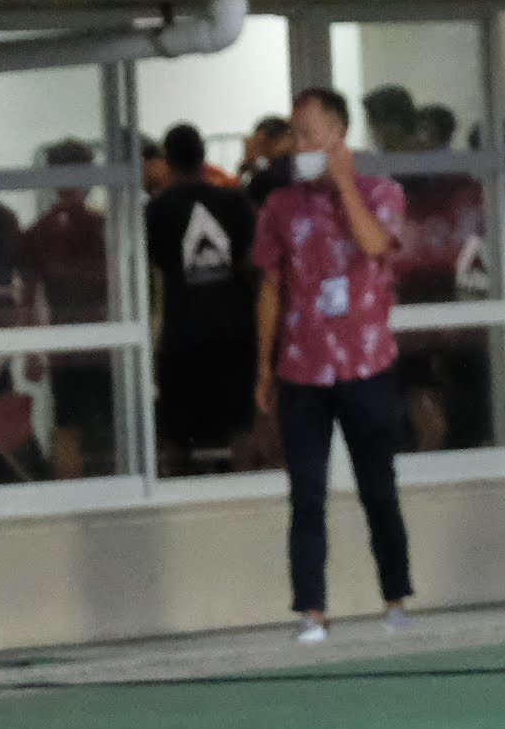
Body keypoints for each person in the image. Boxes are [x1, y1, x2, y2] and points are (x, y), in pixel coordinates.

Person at [253, 87, 413, 643]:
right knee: (306, 492)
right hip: (302, 368)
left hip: (367, 363)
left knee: (378, 486)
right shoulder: (280, 206)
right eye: (293, 134)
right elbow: (271, 286)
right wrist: (263, 368)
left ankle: (394, 597)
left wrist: (344, 183)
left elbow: (374, 244)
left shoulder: (381, 191)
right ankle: (311, 611)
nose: (297, 145)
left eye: (306, 133)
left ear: (337, 135)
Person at [141, 123, 259, 474]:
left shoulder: (156, 211)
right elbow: (252, 263)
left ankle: (174, 501)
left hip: (182, 334)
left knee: (176, 432)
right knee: (241, 425)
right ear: (203, 155)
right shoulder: (235, 202)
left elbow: (154, 272)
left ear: (168, 160)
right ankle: (249, 498)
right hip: (234, 330)